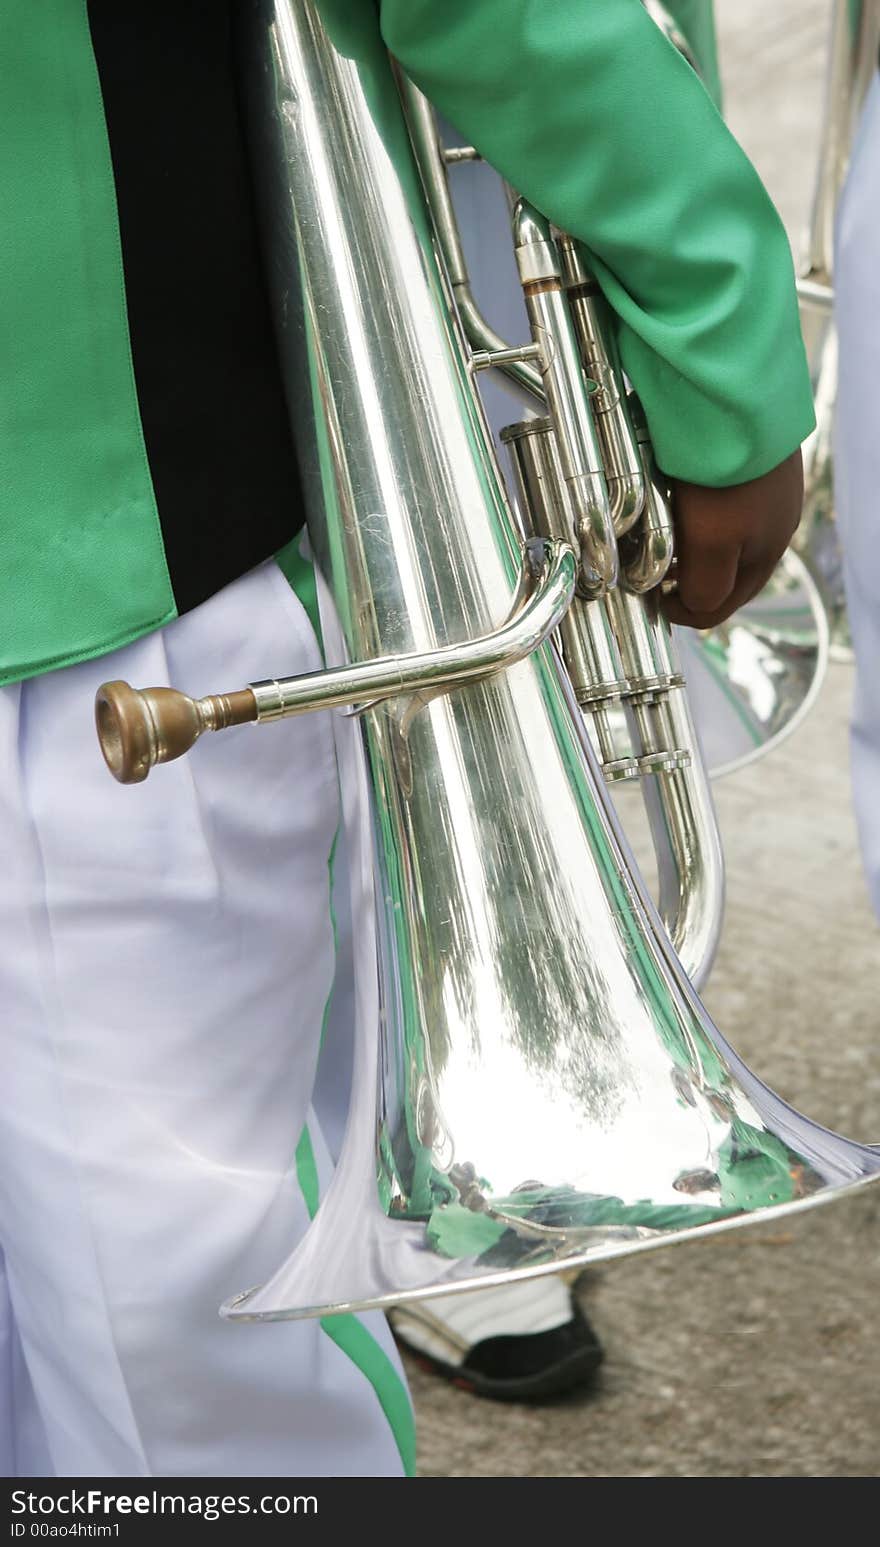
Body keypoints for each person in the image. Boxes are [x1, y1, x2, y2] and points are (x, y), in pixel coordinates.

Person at [0, 0, 811, 1476]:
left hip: (93, 546)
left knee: (149, 1316)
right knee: (170, 1328)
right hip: (98, 552)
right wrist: (720, 348)